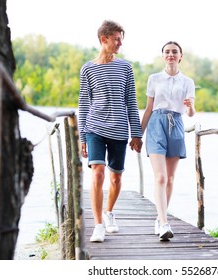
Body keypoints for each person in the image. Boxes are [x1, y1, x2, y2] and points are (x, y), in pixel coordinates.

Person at [78, 20, 143, 243]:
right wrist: (82, 136)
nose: (120, 43)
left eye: (121, 39)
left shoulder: (126, 67)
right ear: (103, 39)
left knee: (116, 178)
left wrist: (137, 133)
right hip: (95, 127)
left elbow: (131, 101)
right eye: (116, 39)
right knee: (97, 173)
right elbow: (84, 104)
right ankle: (98, 225)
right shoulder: (87, 68)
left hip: (119, 130)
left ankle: (109, 212)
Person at [141, 41, 196, 241]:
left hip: (177, 125)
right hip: (156, 125)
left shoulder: (187, 82)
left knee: (170, 179)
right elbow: (148, 108)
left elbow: (190, 113)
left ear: (180, 56)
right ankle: (164, 224)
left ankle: (159, 218)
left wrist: (190, 107)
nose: (170, 54)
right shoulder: (154, 78)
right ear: (162, 56)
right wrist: (139, 134)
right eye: (167, 52)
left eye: (174, 52)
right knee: (161, 177)